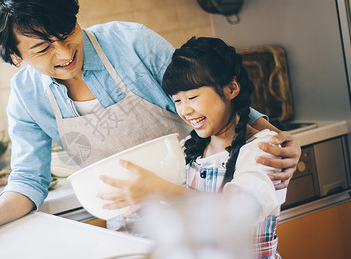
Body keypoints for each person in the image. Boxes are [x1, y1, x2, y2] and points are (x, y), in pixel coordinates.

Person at [0, 0, 300, 257]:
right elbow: (29, 180)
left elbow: (206, 91)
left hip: (202, 217)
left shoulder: (130, 42)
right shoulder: (27, 96)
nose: (64, 53)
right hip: (130, 236)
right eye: (43, 49)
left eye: (67, 32)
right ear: (16, 56)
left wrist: (272, 135)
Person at [99, 37, 287, 258]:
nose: (185, 110)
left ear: (231, 88)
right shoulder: (188, 149)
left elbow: (237, 211)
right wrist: (145, 199)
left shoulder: (264, 149)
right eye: (177, 101)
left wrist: (159, 189)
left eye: (192, 97)